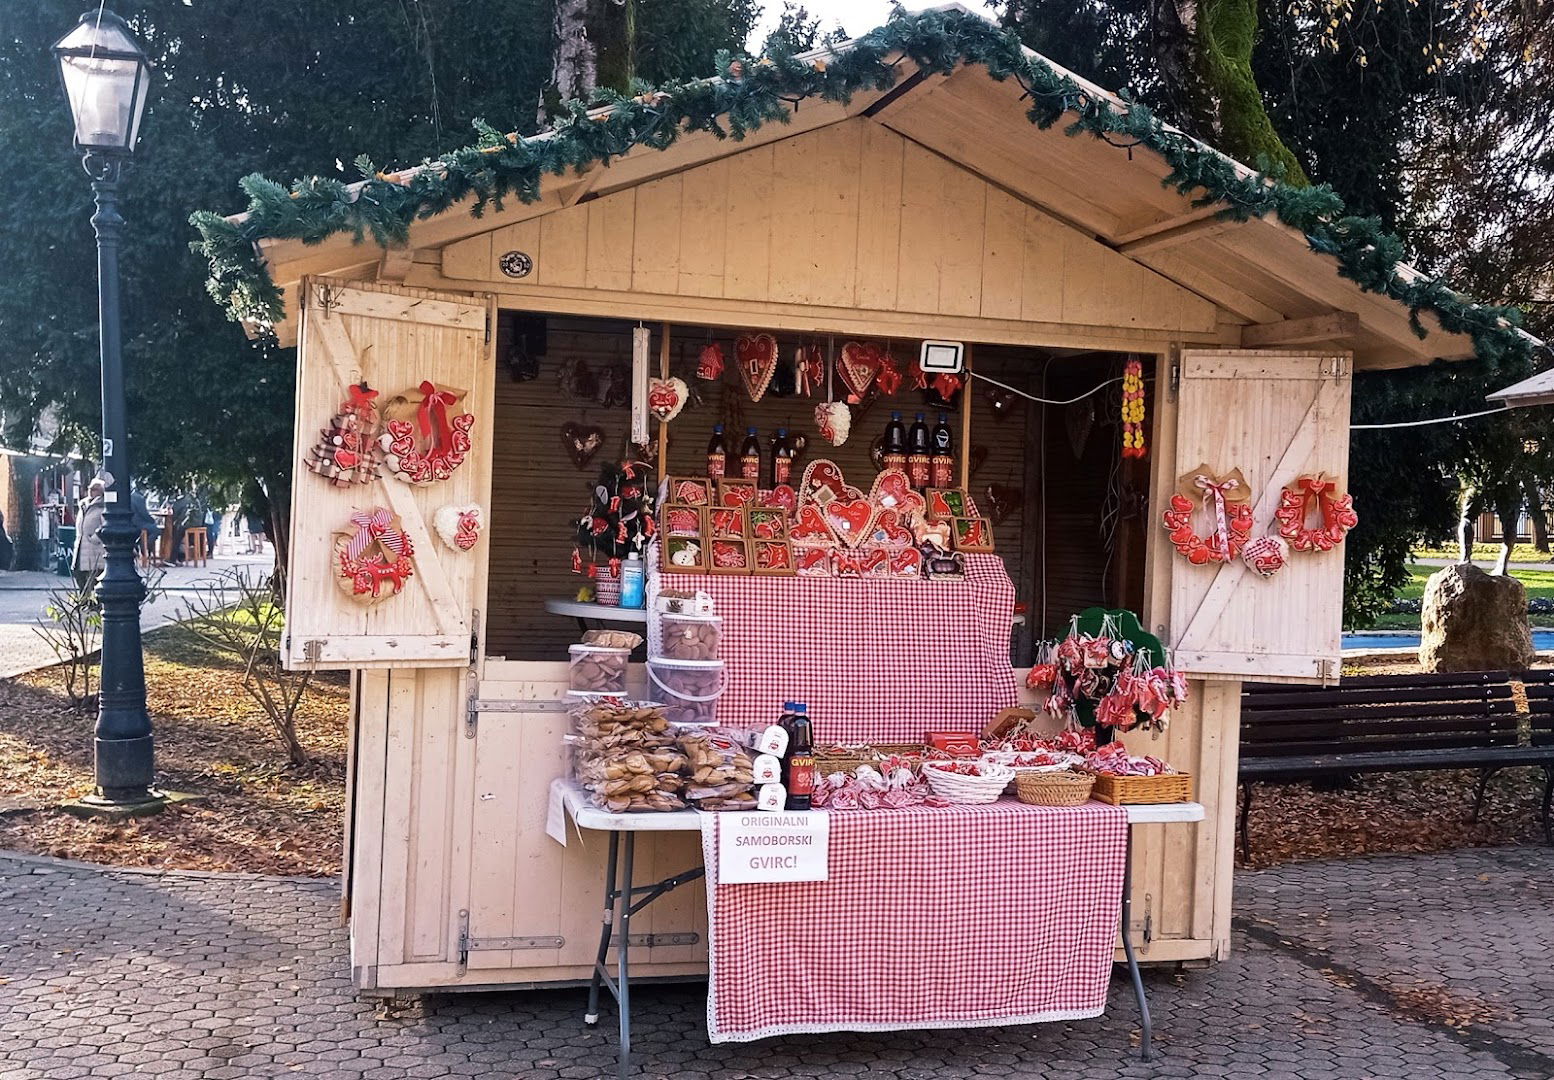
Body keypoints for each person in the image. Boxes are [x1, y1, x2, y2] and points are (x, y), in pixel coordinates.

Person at [72, 479, 106, 589]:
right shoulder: (83, 505)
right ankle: (85, 605)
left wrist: (94, 538)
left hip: (95, 551)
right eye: (89, 488)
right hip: (80, 550)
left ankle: (93, 606)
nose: (91, 491)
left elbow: (106, 526)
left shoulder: (103, 506)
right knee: (80, 580)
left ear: (101, 491)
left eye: (94, 489)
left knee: (93, 583)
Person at [130, 485, 158, 563]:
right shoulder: (139, 498)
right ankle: (146, 548)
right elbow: (144, 513)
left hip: (132, 522)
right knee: (156, 529)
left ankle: (141, 543)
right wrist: (152, 520)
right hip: (139, 523)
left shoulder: (132, 496)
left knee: (151, 528)